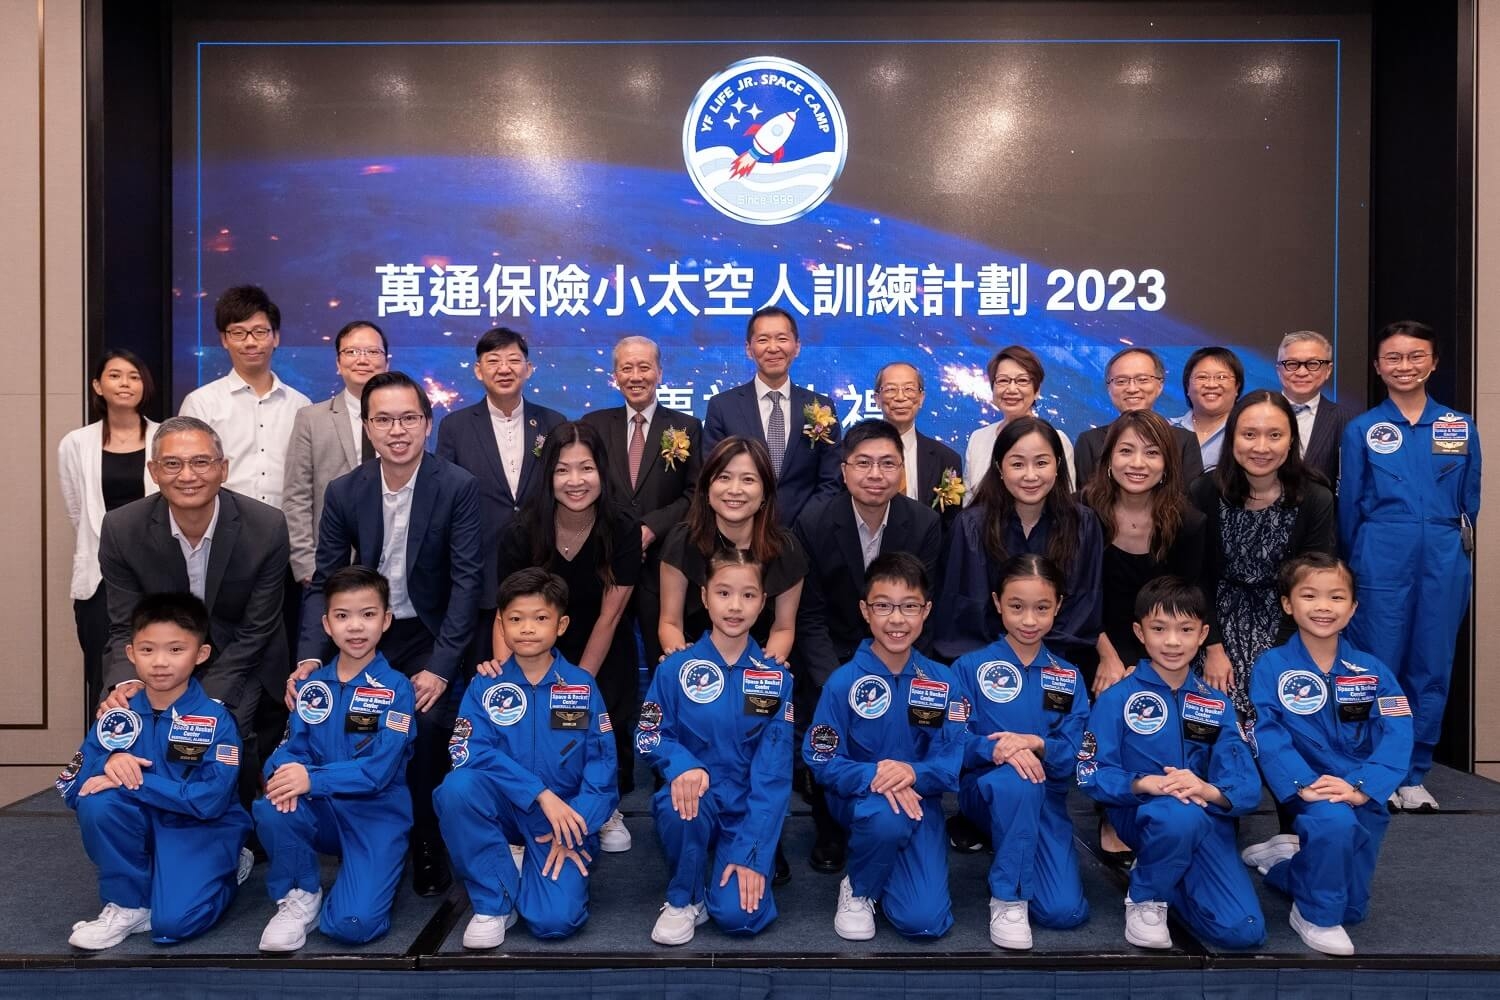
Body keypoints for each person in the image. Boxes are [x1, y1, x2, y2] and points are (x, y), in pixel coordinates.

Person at [293, 371, 483, 896]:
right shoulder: (345, 491)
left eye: (408, 418)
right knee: (341, 727)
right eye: (383, 420)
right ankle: (354, 835)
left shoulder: (457, 486)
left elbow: (467, 585)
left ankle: (426, 839)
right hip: (362, 633)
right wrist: (310, 657)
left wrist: (442, 669)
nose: (396, 430)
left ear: (427, 423)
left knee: (424, 730)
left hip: (427, 633)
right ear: (367, 427)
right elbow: (323, 583)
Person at [97, 416, 290, 810]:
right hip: (160, 656)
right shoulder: (122, 528)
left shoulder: (266, 526)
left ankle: (231, 835)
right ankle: (145, 825)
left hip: (241, 658)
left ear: (223, 468)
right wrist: (123, 683)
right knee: (120, 720)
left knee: (217, 731)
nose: (187, 475)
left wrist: (201, 700)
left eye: (201, 462)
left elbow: (257, 629)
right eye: (172, 464)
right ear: (153, 471)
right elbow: (123, 625)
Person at [1075, 576, 1265, 951]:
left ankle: (1171, 876)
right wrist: (1144, 783)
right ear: (1139, 632)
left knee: (1244, 932)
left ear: (1202, 634)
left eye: (1185, 629)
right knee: (1178, 817)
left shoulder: (1217, 703)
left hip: (1206, 817)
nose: (1173, 641)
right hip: (1143, 814)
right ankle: (1145, 897)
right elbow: (1090, 772)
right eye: (1159, 629)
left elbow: (1244, 781)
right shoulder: (1116, 699)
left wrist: (1207, 789)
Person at [1241, 553, 1414, 956]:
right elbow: (1266, 731)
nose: (1323, 606)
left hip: (1360, 790)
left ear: (1353, 608)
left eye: (1336, 597)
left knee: (1352, 908)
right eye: (1309, 595)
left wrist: (1362, 786)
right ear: (1287, 604)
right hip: (1312, 790)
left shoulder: (1371, 670)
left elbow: (1398, 729)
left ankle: (1284, 865)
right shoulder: (1272, 666)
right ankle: (1313, 916)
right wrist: (1304, 786)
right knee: (1332, 831)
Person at [57, 592, 251, 950]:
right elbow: (71, 784)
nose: (160, 662)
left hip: (198, 830)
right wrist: (108, 763)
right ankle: (128, 903)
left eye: (176, 650)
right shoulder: (119, 713)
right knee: (98, 804)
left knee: (172, 925)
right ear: (130, 653)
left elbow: (209, 801)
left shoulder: (216, 720)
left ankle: (229, 867)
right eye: (147, 650)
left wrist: (137, 782)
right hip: (140, 826)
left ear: (201, 654)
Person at [1339, 320, 1481, 811]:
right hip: (1380, 550)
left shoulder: (1458, 427)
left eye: (1416, 356)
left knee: (1432, 663)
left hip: (1443, 552)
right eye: (1394, 358)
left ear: (1433, 362)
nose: (1405, 366)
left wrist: (1449, 544)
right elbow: (1350, 505)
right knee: (1377, 661)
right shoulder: (1363, 430)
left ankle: (1414, 771)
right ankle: (1375, 767)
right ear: (1378, 367)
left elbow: (1471, 499)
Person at [436, 568, 618, 948]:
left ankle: (525, 869)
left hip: (561, 820)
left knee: (554, 923)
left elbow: (602, 767)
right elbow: (466, 751)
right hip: (505, 808)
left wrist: (577, 826)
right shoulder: (486, 684)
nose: (527, 629)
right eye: (515, 619)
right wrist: (538, 792)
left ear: (561, 624)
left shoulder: (582, 686)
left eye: (540, 618)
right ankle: (493, 899)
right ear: (500, 625)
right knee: (456, 788)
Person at [792, 419, 943, 873]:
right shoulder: (814, 521)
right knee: (825, 711)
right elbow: (809, 614)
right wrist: (836, 679)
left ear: (902, 471)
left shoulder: (923, 523)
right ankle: (830, 828)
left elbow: (926, 608)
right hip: (834, 653)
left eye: (887, 463)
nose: (875, 474)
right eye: (863, 463)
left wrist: (902, 670)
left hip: (901, 649)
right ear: (843, 471)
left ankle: (901, 805)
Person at [489, 421, 640, 851]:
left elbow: (610, 617)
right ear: (547, 476)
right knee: (525, 725)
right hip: (533, 645)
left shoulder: (623, 527)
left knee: (595, 724)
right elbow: (507, 615)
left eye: (586, 468)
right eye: (562, 470)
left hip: (599, 646)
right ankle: (531, 806)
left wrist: (578, 685)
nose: (575, 481)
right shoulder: (521, 531)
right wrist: (507, 680)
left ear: (602, 472)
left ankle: (603, 807)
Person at [803, 553, 965, 941]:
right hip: (860, 800)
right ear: (865, 610)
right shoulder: (842, 682)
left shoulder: (943, 681)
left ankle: (882, 858)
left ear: (926, 610)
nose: (897, 619)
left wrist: (914, 773)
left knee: (924, 922)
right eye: (883, 606)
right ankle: (858, 889)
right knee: (885, 820)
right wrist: (873, 774)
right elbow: (821, 756)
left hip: (919, 801)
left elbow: (953, 756)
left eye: (909, 606)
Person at [254, 566, 416, 951]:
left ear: (386, 620)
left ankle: (355, 886)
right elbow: (289, 749)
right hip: (320, 810)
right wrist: (282, 773)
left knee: (352, 926)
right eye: (343, 616)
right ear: (327, 625)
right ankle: (300, 895)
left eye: (368, 614)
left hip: (376, 815)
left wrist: (312, 778)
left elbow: (380, 770)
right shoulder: (311, 687)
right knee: (273, 802)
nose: (355, 627)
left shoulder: (398, 689)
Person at [637, 548, 794, 945]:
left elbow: (774, 775)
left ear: (763, 602)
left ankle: (737, 865)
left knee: (742, 919)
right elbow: (649, 734)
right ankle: (683, 898)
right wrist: (680, 765)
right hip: (693, 801)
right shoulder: (674, 668)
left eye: (748, 595)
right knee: (681, 800)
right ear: (704, 597)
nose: (735, 606)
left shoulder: (776, 680)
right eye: (723, 593)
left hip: (747, 811)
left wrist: (753, 852)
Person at [949, 555, 1090, 950]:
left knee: (1064, 914)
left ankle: (1013, 842)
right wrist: (998, 749)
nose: (1029, 620)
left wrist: (1038, 744)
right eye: (1016, 606)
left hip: (1047, 799)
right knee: (1015, 780)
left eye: (1042, 608)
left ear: (1058, 606)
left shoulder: (1067, 676)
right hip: (986, 792)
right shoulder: (968, 668)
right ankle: (1007, 897)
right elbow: (951, 745)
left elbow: (1079, 755)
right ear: (997, 603)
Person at [1190, 390, 1337, 714]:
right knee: (1213, 717)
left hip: (1289, 625)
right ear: (1232, 438)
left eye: (1274, 435)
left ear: (1290, 440)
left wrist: (1277, 657)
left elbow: (1310, 586)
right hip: (1214, 626)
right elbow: (1196, 579)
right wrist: (1212, 646)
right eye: (1249, 434)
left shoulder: (1316, 498)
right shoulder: (1204, 491)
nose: (1261, 447)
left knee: (1278, 708)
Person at [436, 327, 567, 658]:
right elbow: (444, 497)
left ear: (529, 368)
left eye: (513, 360)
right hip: (480, 570)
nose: (504, 368)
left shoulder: (554, 422)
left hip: (543, 564)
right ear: (479, 370)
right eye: (493, 360)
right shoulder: (455, 426)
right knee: (485, 670)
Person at [933, 416, 1103, 665]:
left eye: (1042, 462)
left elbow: (1083, 607)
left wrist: (1038, 662)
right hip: (985, 663)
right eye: (1018, 464)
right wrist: (1007, 662)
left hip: (1060, 661)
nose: (1031, 475)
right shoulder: (971, 526)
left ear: (1058, 465)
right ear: (1000, 468)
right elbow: (964, 613)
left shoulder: (1083, 524)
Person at [580, 334, 702, 670]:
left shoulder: (686, 427)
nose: (636, 376)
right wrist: (622, 534)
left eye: (644, 367)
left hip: (664, 566)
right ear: (615, 376)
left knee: (664, 660)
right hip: (606, 562)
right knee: (605, 660)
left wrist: (650, 528)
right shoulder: (593, 425)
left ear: (659, 373)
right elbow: (585, 489)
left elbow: (696, 495)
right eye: (626, 368)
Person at [59, 349, 160, 722]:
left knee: (162, 674)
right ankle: (105, 762)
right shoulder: (76, 443)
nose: (125, 384)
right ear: (98, 386)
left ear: (144, 385)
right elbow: (77, 512)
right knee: (106, 679)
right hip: (100, 580)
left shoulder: (165, 436)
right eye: (115, 376)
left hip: (157, 575)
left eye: (134, 376)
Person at [658, 436, 807, 665]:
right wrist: (683, 664)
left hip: (758, 666)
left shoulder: (786, 549)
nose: (734, 490)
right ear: (707, 488)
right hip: (695, 665)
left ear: (765, 492)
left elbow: (783, 629)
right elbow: (670, 623)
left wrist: (764, 673)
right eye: (724, 478)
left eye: (748, 479)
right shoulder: (683, 541)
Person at [703, 306, 840, 526]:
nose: (773, 348)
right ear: (749, 349)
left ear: (797, 347)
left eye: (782, 339)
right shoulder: (722, 406)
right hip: (741, 530)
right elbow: (713, 475)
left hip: (805, 535)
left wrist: (802, 527)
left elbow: (831, 481)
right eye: (763, 340)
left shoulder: (822, 407)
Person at [179, 285, 311, 508]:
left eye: (260, 332)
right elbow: (187, 473)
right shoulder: (200, 403)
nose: (250, 342)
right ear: (224, 339)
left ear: (276, 337)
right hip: (221, 527)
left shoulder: (301, 405)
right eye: (239, 333)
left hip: (283, 528)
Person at [283, 320, 390, 585]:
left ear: (386, 362)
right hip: (329, 564)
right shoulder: (311, 418)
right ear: (338, 363)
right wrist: (306, 566)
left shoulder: (405, 418)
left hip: (392, 558)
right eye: (352, 352)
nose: (362, 360)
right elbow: (297, 496)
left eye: (372, 352)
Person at [1073, 347, 1203, 488]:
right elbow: (1084, 502)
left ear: (1160, 385)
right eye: (1121, 381)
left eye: (1142, 379)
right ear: (1108, 388)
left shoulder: (1184, 441)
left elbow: (1191, 502)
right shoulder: (1089, 441)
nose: (1132, 389)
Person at [962, 345, 1075, 500]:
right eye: (1003, 381)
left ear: (1037, 390)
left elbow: (1066, 499)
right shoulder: (978, 438)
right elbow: (969, 501)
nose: (1012, 389)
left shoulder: (1057, 439)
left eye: (1022, 380)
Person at [873, 362, 964, 531]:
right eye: (891, 389)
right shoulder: (855, 455)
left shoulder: (946, 458)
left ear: (921, 398)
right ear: (877, 399)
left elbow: (951, 525)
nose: (900, 397)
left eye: (909, 389)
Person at [1276, 330, 1352, 489]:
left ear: (1328, 370)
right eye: (1291, 364)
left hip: (1322, 512)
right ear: (1279, 369)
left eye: (1312, 364)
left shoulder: (1347, 421)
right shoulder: (1254, 414)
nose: (1302, 372)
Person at [1172, 347, 1243, 472]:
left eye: (1221, 377)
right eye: (1202, 377)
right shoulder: (1167, 429)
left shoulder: (1248, 433)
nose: (1211, 385)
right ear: (1187, 386)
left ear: (1237, 386)